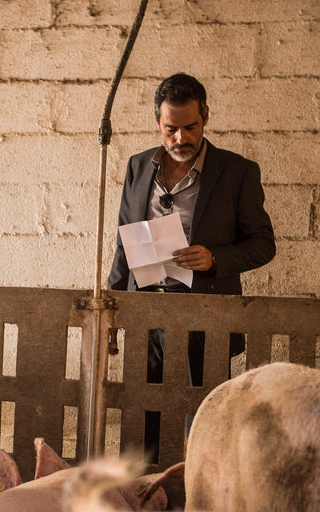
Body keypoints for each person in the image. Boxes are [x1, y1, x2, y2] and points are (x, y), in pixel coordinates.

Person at [107, 73, 275, 445]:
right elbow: (124, 241)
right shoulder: (137, 167)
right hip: (146, 314)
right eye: (170, 129)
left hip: (206, 317)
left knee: (203, 422)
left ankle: (198, 495)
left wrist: (214, 257)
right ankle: (144, 494)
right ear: (157, 123)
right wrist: (112, 308)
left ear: (206, 118)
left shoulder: (237, 172)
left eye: (190, 127)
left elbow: (264, 244)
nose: (180, 138)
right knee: (142, 418)